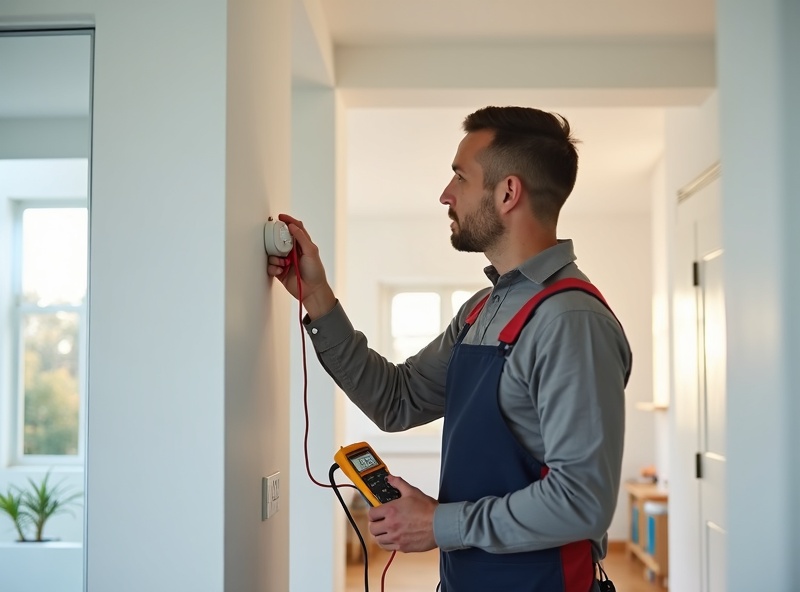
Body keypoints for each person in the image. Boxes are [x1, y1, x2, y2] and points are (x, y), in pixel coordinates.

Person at [267, 106, 631, 592]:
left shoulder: (571, 322)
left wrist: (438, 523)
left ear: (508, 192)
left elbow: (582, 501)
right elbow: (397, 400)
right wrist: (316, 296)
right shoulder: (482, 310)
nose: (446, 194)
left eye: (460, 176)